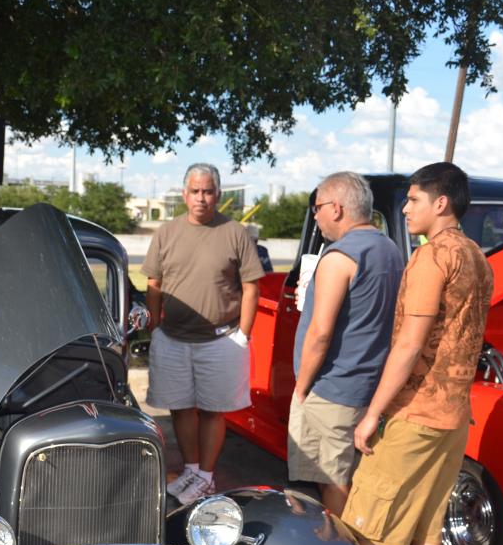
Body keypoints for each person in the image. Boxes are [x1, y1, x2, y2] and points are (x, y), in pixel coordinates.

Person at [338, 162, 493, 545]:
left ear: (440, 203)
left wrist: (373, 414)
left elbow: (408, 345)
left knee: (370, 528)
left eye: (413, 200)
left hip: (416, 413)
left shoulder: (431, 258)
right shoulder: (478, 258)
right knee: (427, 527)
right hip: (454, 416)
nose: (405, 209)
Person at [143, 163, 265, 505]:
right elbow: (154, 283)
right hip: (173, 338)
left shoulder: (235, 232)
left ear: (218, 195)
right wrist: (154, 328)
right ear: (185, 195)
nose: (201, 198)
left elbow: (251, 287)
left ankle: (207, 478)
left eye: (208, 191)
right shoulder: (167, 233)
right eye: (195, 191)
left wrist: (243, 335)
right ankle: (192, 471)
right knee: (180, 408)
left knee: (212, 411)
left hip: (221, 340)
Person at [290, 172, 403, 516]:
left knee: (332, 479)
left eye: (318, 208)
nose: (316, 216)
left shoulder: (339, 257)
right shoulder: (391, 250)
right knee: (352, 476)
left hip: (332, 388)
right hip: (369, 385)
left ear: (337, 208)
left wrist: (302, 388)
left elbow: (320, 333)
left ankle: (339, 544)